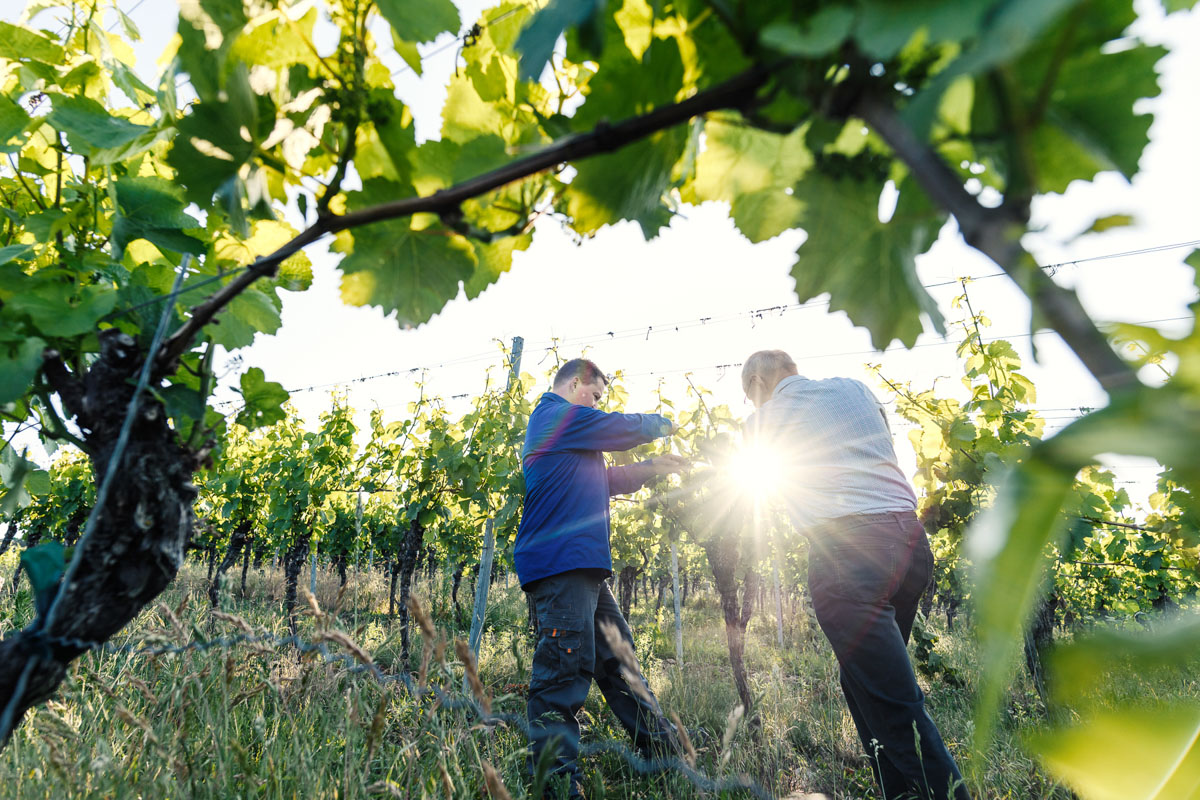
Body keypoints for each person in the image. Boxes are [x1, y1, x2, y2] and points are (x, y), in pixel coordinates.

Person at [741, 350, 971, 800]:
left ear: (756, 384)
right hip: (909, 547)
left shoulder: (761, 421)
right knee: (863, 680)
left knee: (895, 703)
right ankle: (901, 794)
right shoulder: (854, 388)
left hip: (849, 557)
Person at [515, 358, 687, 799]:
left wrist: (653, 466)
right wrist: (660, 423)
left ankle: (665, 757)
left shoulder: (570, 438)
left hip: (582, 568)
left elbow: (606, 479)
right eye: (593, 396)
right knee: (562, 674)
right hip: (560, 566)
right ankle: (554, 787)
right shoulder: (552, 415)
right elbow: (613, 428)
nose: (595, 406)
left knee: (619, 661)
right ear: (574, 384)